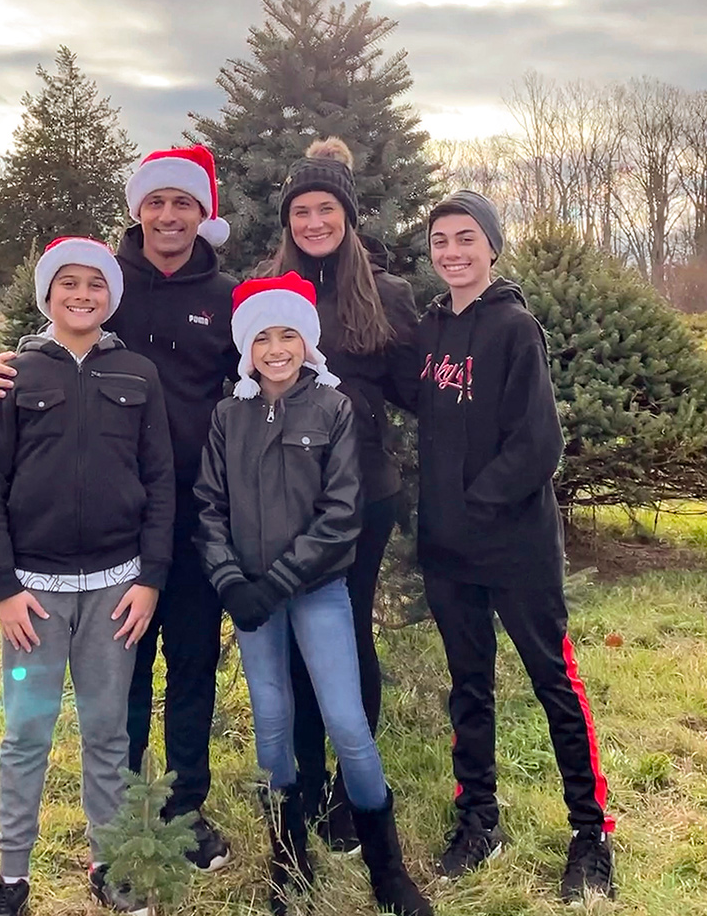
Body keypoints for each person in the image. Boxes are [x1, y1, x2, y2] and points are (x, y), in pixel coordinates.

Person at [0, 145, 240, 872]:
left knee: (191, 665)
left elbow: (266, 368)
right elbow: (59, 339)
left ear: (201, 214)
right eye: (155, 201)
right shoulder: (108, 278)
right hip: (111, 536)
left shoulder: (225, 295)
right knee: (120, 678)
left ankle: (185, 809)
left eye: (182, 202)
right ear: (137, 210)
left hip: (196, 516)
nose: (167, 214)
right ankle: (125, 816)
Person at [193, 271, 431, 916]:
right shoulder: (227, 415)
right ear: (246, 347)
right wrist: (230, 580)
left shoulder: (332, 408)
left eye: (288, 335)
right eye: (262, 337)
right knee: (272, 723)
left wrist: (281, 579)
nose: (276, 349)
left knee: (347, 722)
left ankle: (388, 867)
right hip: (249, 599)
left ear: (307, 342)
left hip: (315, 590)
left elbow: (341, 511)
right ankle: (288, 855)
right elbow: (209, 506)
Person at [416, 191, 616, 902]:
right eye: (441, 240)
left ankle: (591, 836)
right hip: (448, 551)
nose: (453, 252)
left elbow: (539, 443)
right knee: (469, 686)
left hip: (514, 548)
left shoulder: (515, 328)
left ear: (491, 246)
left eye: (466, 238)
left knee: (552, 680)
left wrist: (477, 504)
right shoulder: (432, 330)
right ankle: (478, 819)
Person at [0, 236, 176, 916]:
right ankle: (11, 878)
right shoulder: (15, 377)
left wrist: (149, 579)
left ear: (110, 297)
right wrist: (4, 588)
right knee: (27, 730)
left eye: (94, 284)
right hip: (34, 599)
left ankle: (110, 863)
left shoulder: (138, 376)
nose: (81, 294)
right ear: (48, 296)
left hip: (117, 593)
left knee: (107, 731)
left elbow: (160, 483)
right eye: (68, 284)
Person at [262, 137, 420, 851]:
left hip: (363, 496)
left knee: (349, 635)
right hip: (284, 498)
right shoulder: (268, 293)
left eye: (327, 208)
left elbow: (424, 391)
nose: (314, 221)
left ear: (348, 217)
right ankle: (309, 776)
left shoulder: (386, 295)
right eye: (302, 210)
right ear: (289, 220)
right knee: (297, 644)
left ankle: (355, 797)